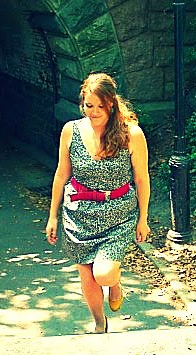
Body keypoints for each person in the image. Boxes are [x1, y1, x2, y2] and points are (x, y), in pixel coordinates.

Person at [45, 72, 151, 333]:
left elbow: (141, 178)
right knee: (86, 274)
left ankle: (114, 283)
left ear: (111, 104)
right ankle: (99, 323)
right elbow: (61, 174)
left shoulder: (131, 134)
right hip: (79, 213)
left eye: (99, 107)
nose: (93, 113)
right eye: (88, 106)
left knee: (103, 274)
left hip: (118, 213)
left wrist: (143, 218)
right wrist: (53, 216)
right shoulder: (71, 131)